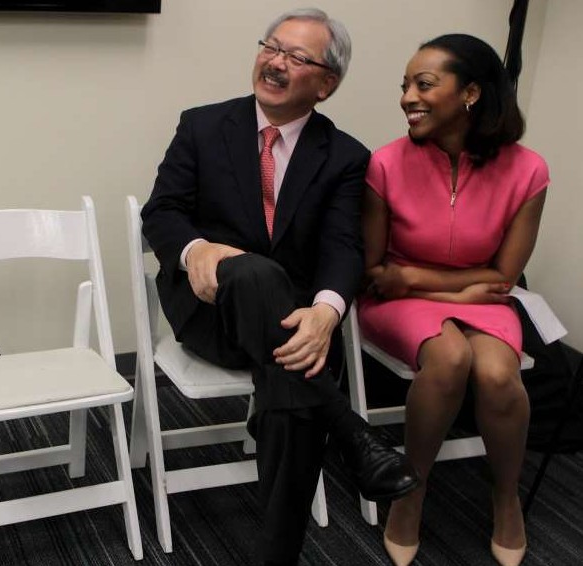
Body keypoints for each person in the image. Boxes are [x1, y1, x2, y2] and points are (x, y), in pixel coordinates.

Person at [141, 8, 417, 566]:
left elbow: (344, 246)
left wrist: (327, 312)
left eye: (297, 57)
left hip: (295, 326)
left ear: (326, 84)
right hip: (209, 311)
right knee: (253, 272)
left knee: (290, 384)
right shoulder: (202, 125)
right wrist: (198, 250)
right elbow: (162, 211)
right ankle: (350, 431)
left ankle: (276, 555)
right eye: (272, 47)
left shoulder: (344, 156)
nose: (275, 62)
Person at [359, 34, 548, 566]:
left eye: (423, 84)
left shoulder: (528, 171)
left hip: (480, 298)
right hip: (398, 303)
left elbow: (503, 276)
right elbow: (377, 274)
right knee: (449, 358)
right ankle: (411, 490)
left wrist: (420, 277)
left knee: (495, 374)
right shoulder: (385, 164)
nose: (407, 98)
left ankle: (506, 497)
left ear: (470, 93)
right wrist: (452, 285)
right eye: (404, 87)